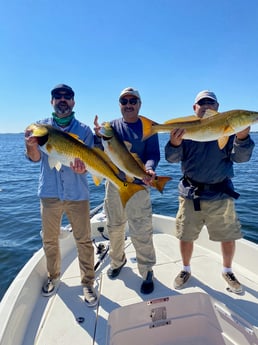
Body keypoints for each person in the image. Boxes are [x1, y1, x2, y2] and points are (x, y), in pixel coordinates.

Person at [165, 90, 255, 294]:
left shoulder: (230, 130)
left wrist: (242, 138)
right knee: (185, 235)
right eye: (201, 103)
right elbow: (171, 159)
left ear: (217, 107)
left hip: (220, 193)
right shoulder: (184, 130)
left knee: (227, 236)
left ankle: (227, 270)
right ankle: (185, 269)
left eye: (210, 103)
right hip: (190, 193)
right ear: (194, 108)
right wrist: (174, 143)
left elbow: (241, 159)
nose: (206, 106)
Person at [24, 84, 98, 306]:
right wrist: (30, 145)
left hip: (78, 193)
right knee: (49, 239)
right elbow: (35, 158)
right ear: (52, 102)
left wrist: (83, 168)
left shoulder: (84, 131)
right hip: (49, 193)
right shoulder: (40, 128)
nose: (62, 100)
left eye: (67, 97)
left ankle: (88, 283)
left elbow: (89, 163)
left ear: (73, 102)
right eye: (57, 96)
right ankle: (53, 277)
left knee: (84, 240)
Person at [94, 87, 159, 294]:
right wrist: (97, 137)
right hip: (114, 184)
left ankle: (147, 271)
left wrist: (149, 169)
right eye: (124, 101)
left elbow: (153, 154)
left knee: (141, 229)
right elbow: (98, 151)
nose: (128, 105)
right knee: (114, 226)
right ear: (120, 104)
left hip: (139, 186)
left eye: (133, 101)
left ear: (140, 104)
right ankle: (117, 261)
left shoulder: (149, 127)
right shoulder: (110, 127)